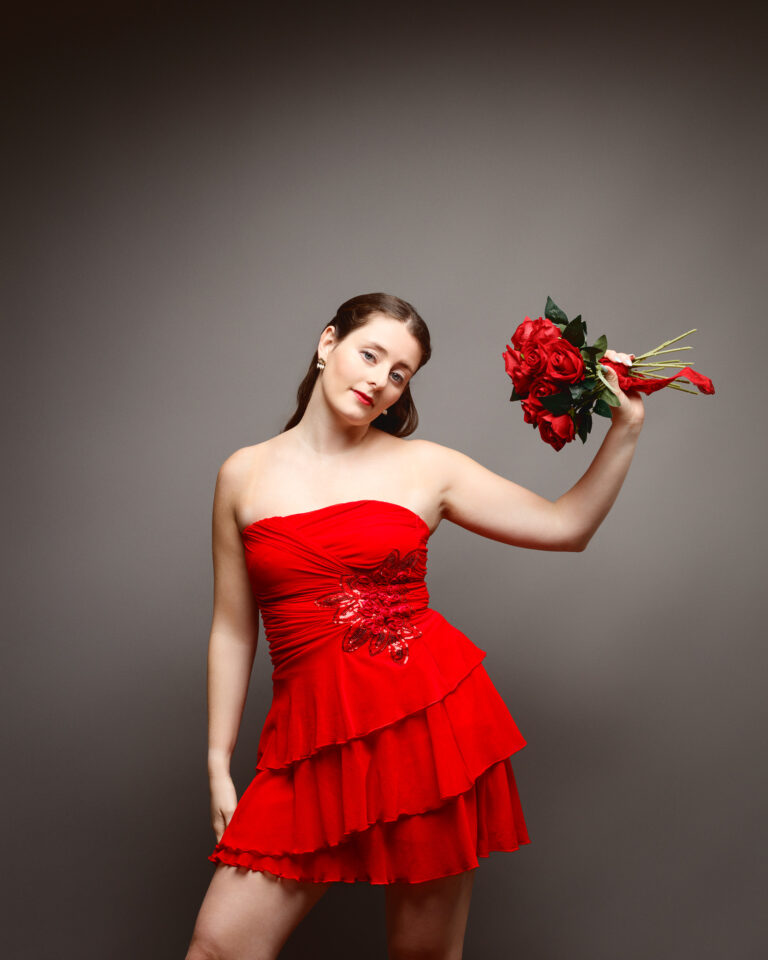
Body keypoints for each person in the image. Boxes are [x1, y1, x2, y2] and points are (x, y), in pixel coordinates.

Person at [184, 292, 643, 960]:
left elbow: (565, 526)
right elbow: (232, 629)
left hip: (429, 730)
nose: (379, 379)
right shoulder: (243, 474)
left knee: (423, 956)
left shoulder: (426, 467)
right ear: (327, 344)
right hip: (308, 744)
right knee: (220, 948)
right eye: (370, 354)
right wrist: (217, 762)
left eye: (399, 373)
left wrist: (624, 429)